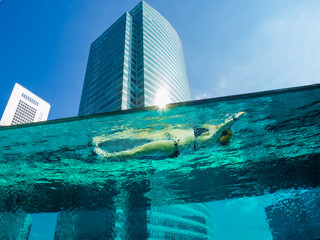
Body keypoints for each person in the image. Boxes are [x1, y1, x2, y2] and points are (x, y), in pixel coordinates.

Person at [94, 111, 246, 159]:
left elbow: (221, 129)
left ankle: (106, 157)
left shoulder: (211, 139)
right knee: (139, 140)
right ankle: (104, 143)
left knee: (137, 151)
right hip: (173, 145)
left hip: (172, 146)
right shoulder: (209, 135)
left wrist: (234, 118)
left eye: (221, 127)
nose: (218, 125)